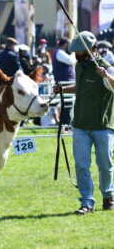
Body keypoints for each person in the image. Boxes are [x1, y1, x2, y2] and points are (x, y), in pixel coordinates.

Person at [54, 31, 114, 215]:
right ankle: (87, 202)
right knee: (81, 165)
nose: (75, 55)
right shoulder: (80, 66)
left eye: (79, 52)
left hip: (102, 126)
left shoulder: (105, 67)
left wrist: (106, 76)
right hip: (80, 125)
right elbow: (80, 87)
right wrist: (63, 89)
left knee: (105, 164)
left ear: (90, 50)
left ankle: (108, 196)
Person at [52, 37, 76, 125]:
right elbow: (71, 61)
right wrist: (74, 52)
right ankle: (65, 124)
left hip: (67, 81)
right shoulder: (60, 53)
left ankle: (64, 123)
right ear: (65, 44)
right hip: (64, 82)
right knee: (67, 105)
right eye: (69, 44)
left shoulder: (61, 52)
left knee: (67, 104)